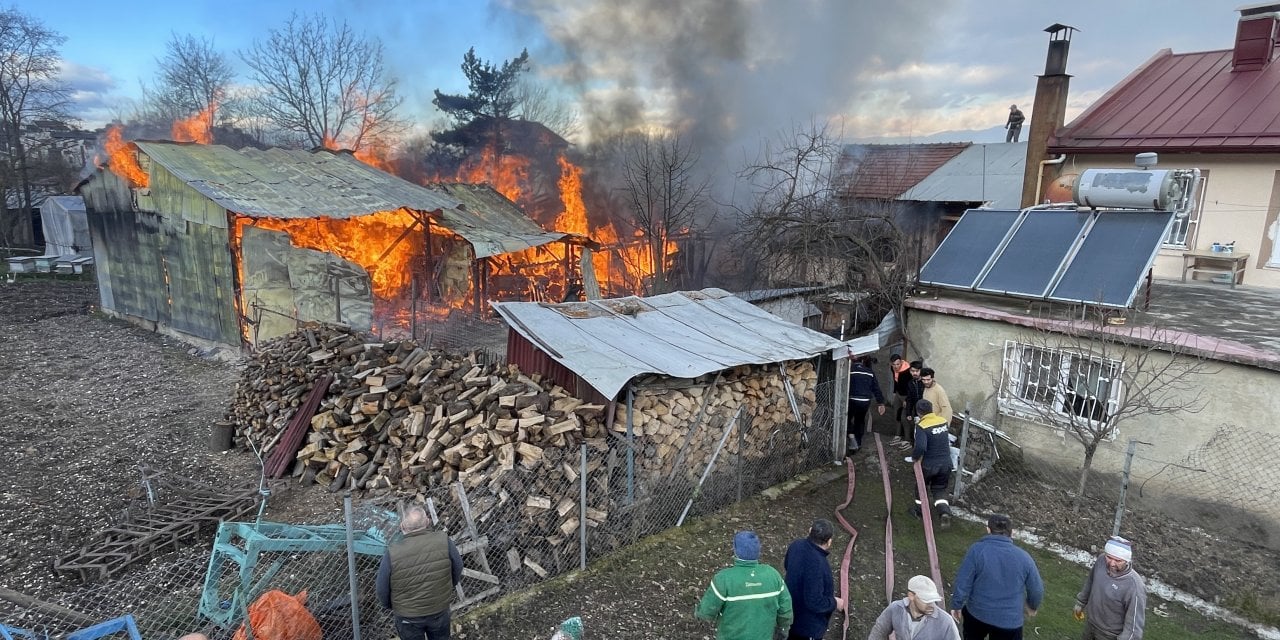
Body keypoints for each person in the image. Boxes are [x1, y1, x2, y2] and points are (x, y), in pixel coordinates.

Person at [950, 514, 1044, 640]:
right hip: (1009, 622)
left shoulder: (977, 551)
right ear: (1012, 533)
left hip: (977, 614)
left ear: (988, 530)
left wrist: (957, 605)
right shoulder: (1024, 558)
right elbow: (1036, 589)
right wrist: (1032, 606)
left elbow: (963, 581)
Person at [377, 504, 464, 640]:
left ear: (402, 526)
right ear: (427, 521)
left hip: (408, 616)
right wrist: (447, 586)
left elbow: (382, 588)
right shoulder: (443, 540)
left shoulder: (392, 552)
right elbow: (458, 566)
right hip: (439, 609)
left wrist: (390, 605)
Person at [697, 530, 794, 640]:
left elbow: (706, 612)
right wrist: (783, 629)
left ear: (736, 551)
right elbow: (785, 609)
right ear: (758, 550)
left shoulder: (724, 579)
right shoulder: (773, 575)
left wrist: (699, 612)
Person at [1074, 537, 1146, 640]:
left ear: (1126, 561)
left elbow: (1134, 626)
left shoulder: (1134, 586)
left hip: (1110, 635)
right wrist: (1081, 602)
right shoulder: (1101, 561)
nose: (1112, 563)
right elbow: (1090, 581)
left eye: (1118, 560)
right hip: (1091, 625)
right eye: (1109, 557)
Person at [784, 519, 845, 640]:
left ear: (810, 531)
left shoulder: (796, 545)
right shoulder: (819, 565)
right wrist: (835, 602)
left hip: (790, 612)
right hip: (806, 628)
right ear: (829, 542)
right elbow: (814, 602)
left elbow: (787, 565)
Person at [907, 399, 954, 527]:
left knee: (921, 487)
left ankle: (919, 511)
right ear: (931, 409)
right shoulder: (942, 422)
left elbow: (921, 447)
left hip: (929, 464)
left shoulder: (922, 426)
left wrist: (914, 458)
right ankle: (944, 512)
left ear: (919, 413)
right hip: (946, 463)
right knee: (939, 488)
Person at [869, 575, 962, 640]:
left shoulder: (946, 621)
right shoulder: (895, 609)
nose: (931, 604)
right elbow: (879, 630)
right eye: (926, 599)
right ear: (911, 596)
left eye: (932, 600)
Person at [847, 355, 886, 453]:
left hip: (852, 399)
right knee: (860, 421)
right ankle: (858, 443)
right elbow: (876, 388)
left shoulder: (849, 370)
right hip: (865, 401)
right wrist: (881, 403)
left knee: (847, 418)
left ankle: (851, 436)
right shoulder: (870, 372)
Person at [893, 360, 925, 450]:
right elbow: (910, 397)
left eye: (917, 371)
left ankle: (917, 446)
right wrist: (908, 413)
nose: (914, 373)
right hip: (914, 405)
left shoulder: (924, 382)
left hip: (923, 408)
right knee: (904, 417)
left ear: (921, 371)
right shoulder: (911, 383)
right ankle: (908, 440)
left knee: (920, 426)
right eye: (912, 371)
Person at [888, 354, 910, 422]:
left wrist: (907, 399)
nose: (896, 366)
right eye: (894, 364)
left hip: (906, 395)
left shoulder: (907, 371)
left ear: (901, 362)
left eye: (898, 364)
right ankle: (897, 432)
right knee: (896, 414)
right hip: (898, 393)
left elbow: (910, 386)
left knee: (904, 417)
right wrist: (894, 391)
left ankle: (905, 432)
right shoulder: (893, 368)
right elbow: (895, 379)